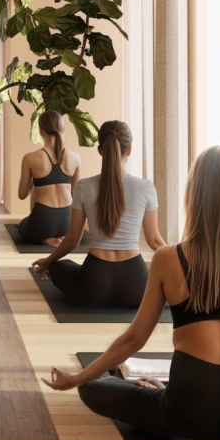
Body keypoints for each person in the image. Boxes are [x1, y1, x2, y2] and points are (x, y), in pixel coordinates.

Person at [44, 146, 220, 440]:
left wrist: (77, 378)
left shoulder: (169, 258)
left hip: (185, 413)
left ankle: (164, 393)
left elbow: (134, 339)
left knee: (92, 387)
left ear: (194, 195)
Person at [33, 121, 164, 308]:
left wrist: (47, 261)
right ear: (129, 150)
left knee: (59, 267)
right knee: (164, 282)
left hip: (93, 285)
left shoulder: (84, 187)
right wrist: (182, 265)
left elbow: (71, 240)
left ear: (100, 150)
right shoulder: (146, 188)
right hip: (136, 287)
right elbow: (154, 241)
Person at [16, 110, 81, 246]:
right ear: (62, 129)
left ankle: (45, 238)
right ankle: (61, 235)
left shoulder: (30, 158)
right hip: (67, 221)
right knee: (56, 223)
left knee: (23, 224)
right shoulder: (75, 158)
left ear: (40, 130)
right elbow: (76, 195)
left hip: (43, 220)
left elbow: (22, 195)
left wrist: (35, 180)